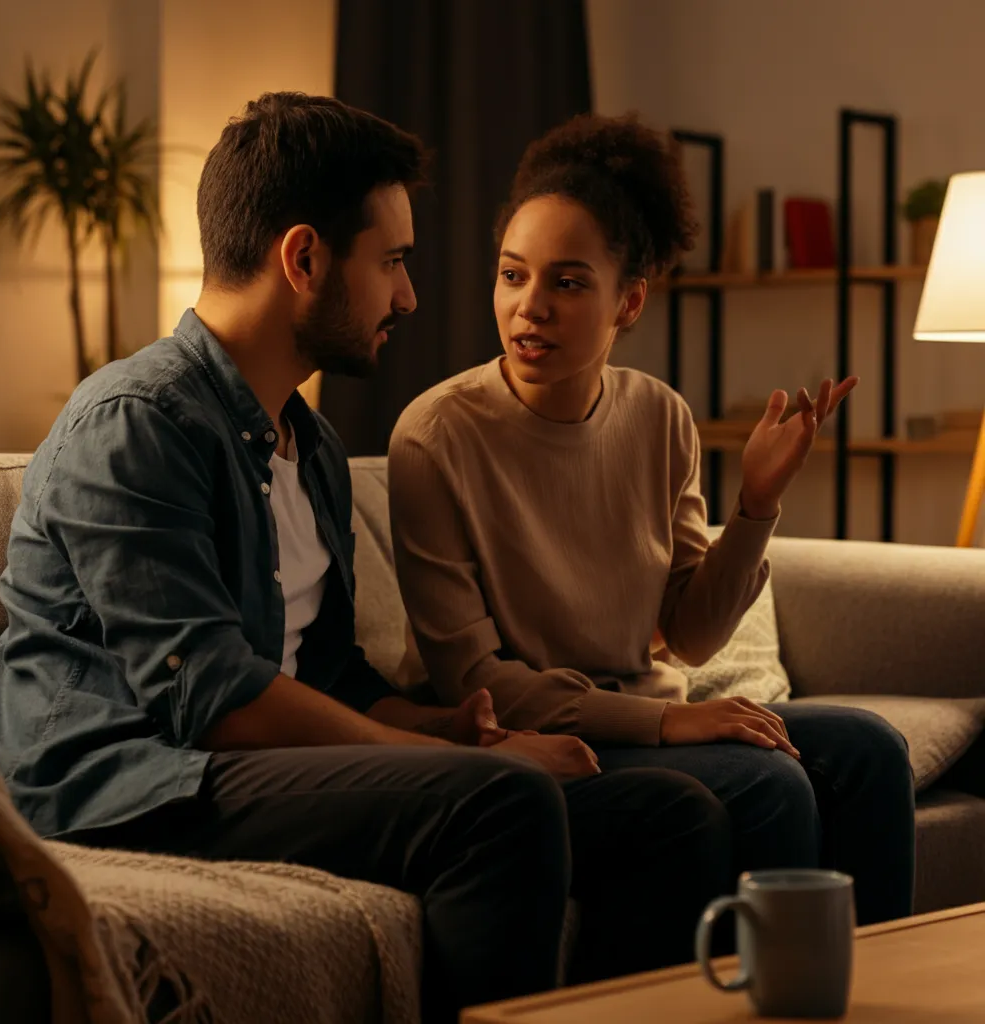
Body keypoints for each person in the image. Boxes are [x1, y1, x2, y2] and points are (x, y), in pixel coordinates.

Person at [0, 94, 730, 1020]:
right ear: (304, 259)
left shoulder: (311, 445)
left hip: (236, 761)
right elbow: (212, 697)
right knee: (497, 805)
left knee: (669, 816)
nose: (409, 297)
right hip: (130, 783)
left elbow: (328, 669)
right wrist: (446, 761)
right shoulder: (136, 425)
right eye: (393, 263)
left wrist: (458, 728)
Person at [388, 112, 917, 934]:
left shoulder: (660, 417)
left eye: (567, 282)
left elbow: (692, 636)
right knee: (773, 782)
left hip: (645, 716)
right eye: (512, 275)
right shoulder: (435, 436)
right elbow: (474, 682)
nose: (530, 308)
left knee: (869, 751)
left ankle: (873, 997)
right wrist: (670, 721)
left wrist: (758, 506)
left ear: (628, 299)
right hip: (535, 735)